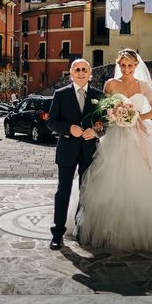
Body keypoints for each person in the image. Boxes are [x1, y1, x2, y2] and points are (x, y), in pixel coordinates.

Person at [76, 48, 152, 252]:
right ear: (118, 65)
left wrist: (136, 118)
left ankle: (145, 231)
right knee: (111, 179)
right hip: (115, 135)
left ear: (136, 66)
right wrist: (115, 116)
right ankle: (108, 230)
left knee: (141, 180)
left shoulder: (142, 85)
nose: (126, 69)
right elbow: (103, 109)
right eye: (123, 65)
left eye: (130, 65)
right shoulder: (110, 84)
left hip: (140, 135)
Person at [46, 59, 103, 250]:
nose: (81, 73)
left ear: (90, 73)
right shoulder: (60, 95)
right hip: (67, 150)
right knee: (63, 191)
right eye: (77, 69)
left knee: (86, 192)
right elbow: (51, 121)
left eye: (84, 70)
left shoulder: (99, 95)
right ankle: (57, 233)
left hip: (89, 151)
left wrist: (95, 131)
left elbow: (105, 123)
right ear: (71, 73)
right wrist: (69, 128)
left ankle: (81, 229)